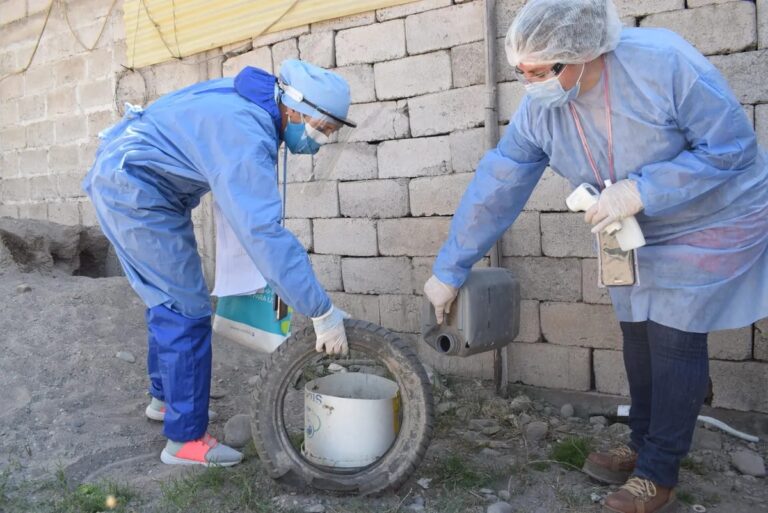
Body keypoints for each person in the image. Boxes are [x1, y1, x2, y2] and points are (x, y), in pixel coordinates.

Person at [423, 1, 768, 512]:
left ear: (584, 54)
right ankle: (642, 440)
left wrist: (642, 190)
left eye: (540, 71)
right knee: (636, 329)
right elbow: (500, 182)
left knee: (673, 330)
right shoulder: (542, 109)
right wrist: (450, 268)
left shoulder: (665, 64)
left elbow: (731, 148)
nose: (528, 82)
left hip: (712, 213)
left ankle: (659, 473)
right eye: (520, 71)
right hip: (628, 224)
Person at [83, 59, 356, 467]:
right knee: (186, 308)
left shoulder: (251, 105)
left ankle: (165, 400)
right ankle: (185, 441)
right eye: (323, 128)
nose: (320, 140)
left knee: (169, 296)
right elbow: (263, 232)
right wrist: (321, 310)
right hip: (135, 191)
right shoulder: (246, 131)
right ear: (296, 110)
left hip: (134, 179)